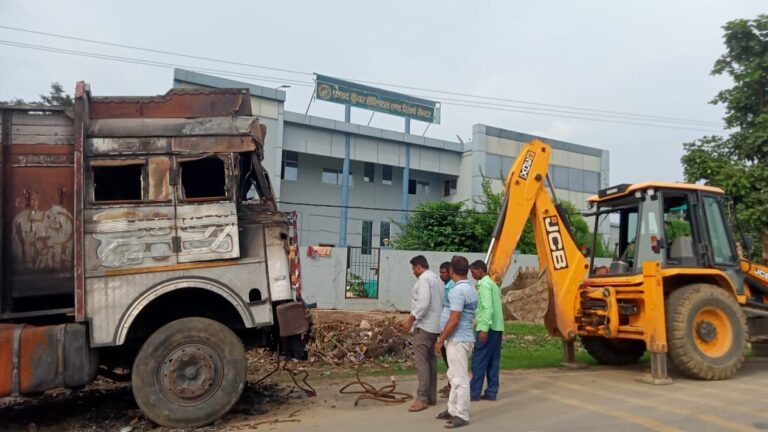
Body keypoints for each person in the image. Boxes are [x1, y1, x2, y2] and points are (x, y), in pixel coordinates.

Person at [434, 256, 477, 428]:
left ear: (452, 270)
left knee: (460, 379)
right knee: (453, 375)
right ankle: (452, 410)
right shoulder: (470, 288)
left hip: (457, 340)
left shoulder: (458, 291)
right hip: (461, 338)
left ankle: (462, 414)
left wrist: (441, 339)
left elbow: (454, 319)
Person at [402, 255, 444, 412]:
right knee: (430, 360)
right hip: (435, 326)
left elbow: (424, 303)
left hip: (425, 326)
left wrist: (411, 319)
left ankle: (422, 398)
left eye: (413, 268)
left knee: (422, 363)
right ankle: (431, 397)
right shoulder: (436, 279)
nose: (413, 271)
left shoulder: (424, 280)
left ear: (419, 267)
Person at [469, 259, 504, 402]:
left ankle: (474, 392)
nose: (472, 275)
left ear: (479, 270)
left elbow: (487, 307)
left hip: (487, 328)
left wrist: (483, 329)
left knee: (478, 360)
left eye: (473, 272)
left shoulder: (484, 285)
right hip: (497, 327)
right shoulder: (493, 284)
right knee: (493, 361)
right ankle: (491, 392)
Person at [437, 261, 455, 398]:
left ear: (450, 272)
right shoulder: (447, 286)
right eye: (440, 272)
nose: (441, 275)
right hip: (444, 327)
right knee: (446, 357)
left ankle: (453, 387)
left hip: (449, 330)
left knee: (450, 358)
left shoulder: (453, 287)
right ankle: (450, 384)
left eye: (443, 272)